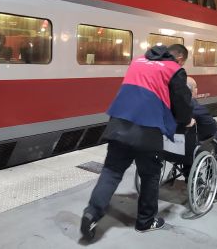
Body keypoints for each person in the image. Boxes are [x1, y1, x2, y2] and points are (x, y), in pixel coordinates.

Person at [80, 44, 194, 239]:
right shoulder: (174, 70)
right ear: (180, 59)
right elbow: (181, 103)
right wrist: (184, 123)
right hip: (148, 131)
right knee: (150, 176)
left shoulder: (138, 61)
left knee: (111, 172)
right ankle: (146, 221)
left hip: (119, 124)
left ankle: (91, 213)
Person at [186, 77, 217, 181]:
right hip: (191, 148)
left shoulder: (168, 106)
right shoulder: (198, 109)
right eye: (196, 87)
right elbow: (213, 128)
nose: (197, 89)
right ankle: (214, 171)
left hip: (170, 148)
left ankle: (187, 172)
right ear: (192, 90)